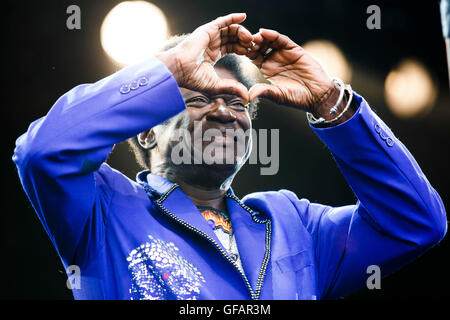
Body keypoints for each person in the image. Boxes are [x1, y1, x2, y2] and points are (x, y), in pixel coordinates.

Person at [12, 13, 447, 300]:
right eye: (197, 99)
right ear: (146, 131)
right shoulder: (103, 209)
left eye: (239, 103)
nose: (224, 110)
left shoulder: (293, 224)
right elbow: (44, 151)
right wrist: (168, 71)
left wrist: (331, 102)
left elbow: (415, 222)